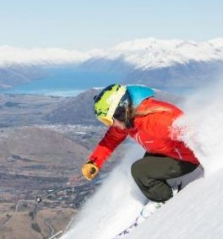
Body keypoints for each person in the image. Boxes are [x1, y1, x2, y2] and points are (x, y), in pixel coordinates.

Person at [81, 83, 200, 217]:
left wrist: (210, 158)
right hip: (167, 152)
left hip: (186, 158)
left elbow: (193, 133)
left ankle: (164, 200)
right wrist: (94, 162)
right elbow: (111, 139)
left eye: (108, 120)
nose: (111, 125)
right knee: (145, 167)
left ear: (120, 110)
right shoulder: (130, 120)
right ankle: (162, 189)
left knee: (139, 171)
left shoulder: (158, 120)